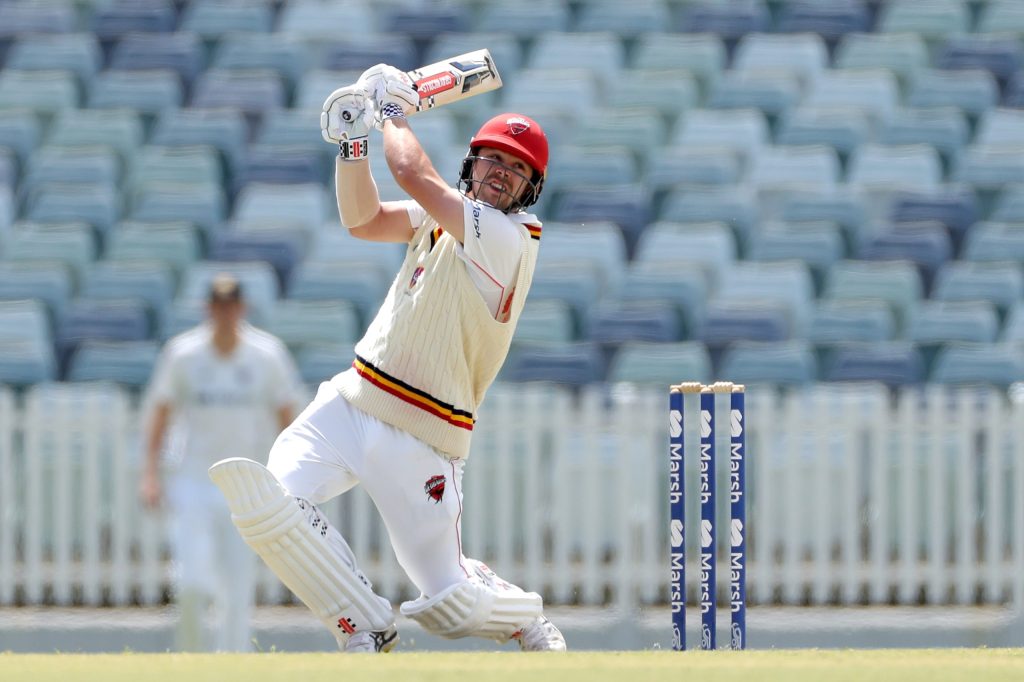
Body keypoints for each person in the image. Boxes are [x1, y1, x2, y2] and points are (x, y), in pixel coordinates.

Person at [207, 64, 566, 653]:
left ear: (531, 189)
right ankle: (365, 624)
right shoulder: (441, 219)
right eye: (494, 159)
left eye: (518, 168)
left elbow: (411, 171)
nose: (502, 173)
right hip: (353, 399)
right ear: (472, 164)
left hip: (425, 432)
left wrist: (393, 112)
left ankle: (522, 615)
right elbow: (364, 220)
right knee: (272, 505)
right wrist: (353, 140)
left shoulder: (510, 239)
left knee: (447, 600)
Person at [140, 273, 304, 652]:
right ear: (208, 309)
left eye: (232, 306)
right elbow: (160, 413)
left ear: (242, 308)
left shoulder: (267, 354)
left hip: (245, 487)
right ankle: (192, 662)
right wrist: (150, 474)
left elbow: (287, 417)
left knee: (237, 586)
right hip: (193, 481)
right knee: (191, 583)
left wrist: (291, 479)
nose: (225, 313)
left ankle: (232, 666)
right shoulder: (184, 353)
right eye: (218, 306)